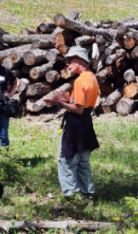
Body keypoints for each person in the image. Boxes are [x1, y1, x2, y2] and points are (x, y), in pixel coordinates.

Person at [49, 47, 100, 201]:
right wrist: (67, 98)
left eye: (70, 60)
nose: (67, 64)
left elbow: (77, 109)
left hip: (75, 125)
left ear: (79, 60)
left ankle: (72, 196)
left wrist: (59, 103)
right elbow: (83, 104)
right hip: (86, 123)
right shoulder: (92, 77)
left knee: (67, 160)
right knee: (83, 160)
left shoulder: (80, 81)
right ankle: (87, 192)